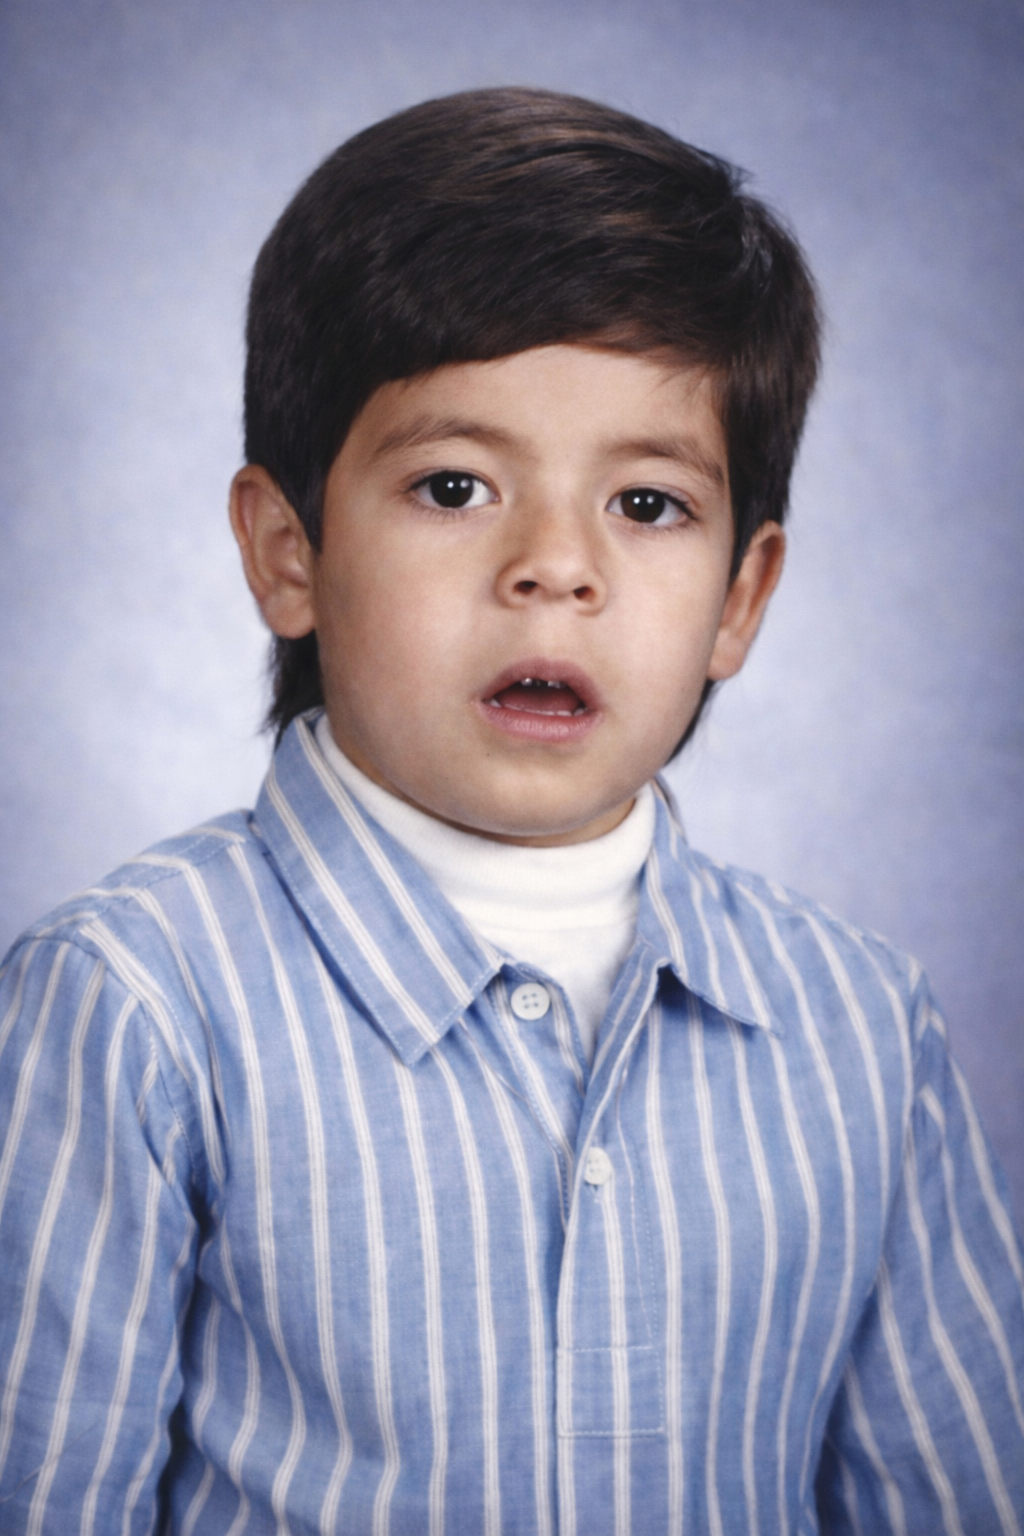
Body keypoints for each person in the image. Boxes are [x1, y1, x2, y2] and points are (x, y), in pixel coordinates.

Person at [0, 86, 1021, 1536]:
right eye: (457, 484)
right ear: (288, 554)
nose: (556, 568)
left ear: (742, 597)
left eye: (650, 506)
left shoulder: (861, 1028)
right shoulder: (138, 1005)